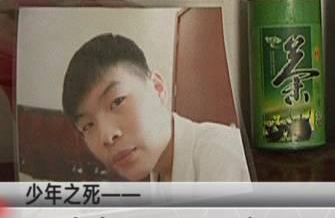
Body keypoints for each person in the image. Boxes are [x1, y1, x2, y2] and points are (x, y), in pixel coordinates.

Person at [61, 33, 250, 182]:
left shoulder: (223, 159)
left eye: (117, 101)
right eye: (88, 126)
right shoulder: (159, 170)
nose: (107, 137)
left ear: (157, 88)